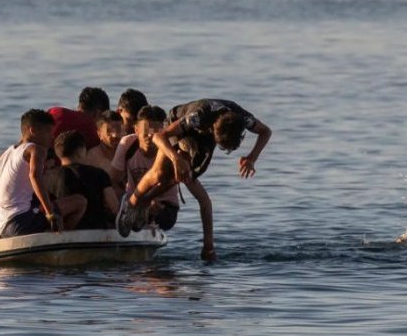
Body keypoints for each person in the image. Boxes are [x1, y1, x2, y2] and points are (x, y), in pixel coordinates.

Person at [117, 100, 272, 247]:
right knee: (160, 172)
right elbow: (159, 137)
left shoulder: (243, 117)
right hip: (176, 123)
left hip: (205, 135)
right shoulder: (198, 116)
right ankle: (131, 204)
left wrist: (252, 157)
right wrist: (175, 158)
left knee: (185, 174)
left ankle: (144, 203)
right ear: (214, 129)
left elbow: (266, 132)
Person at [112, 105, 216, 260]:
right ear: (136, 129)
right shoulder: (127, 144)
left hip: (164, 208)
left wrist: (208, 245)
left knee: (161, 214)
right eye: (146, 130)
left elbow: (204, 200)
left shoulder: (173, 155)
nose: (150, 136)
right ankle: (132, 218)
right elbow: (113, 180)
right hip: (132, 201)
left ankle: (144, 218)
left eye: (156, 132)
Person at [0, 109, 81, 247]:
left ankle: (47, 234)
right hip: (20, 223)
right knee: (79, 201)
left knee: (39, 207)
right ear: (32, 130)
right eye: (48, 132)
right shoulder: (36, 149)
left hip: (1, 227)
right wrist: (50, 214)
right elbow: (35, 176)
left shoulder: (3, 155)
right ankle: (60, 243)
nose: (52, 137)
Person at [51, 131, 119, 229]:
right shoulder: (99, 174)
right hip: (94, 233)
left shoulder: (48, 177)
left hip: (61, 233)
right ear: (80, 151)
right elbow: (114, 207)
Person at [85, 110, 124, 186]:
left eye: (118, 130)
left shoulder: (129, 152)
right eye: (109, 131)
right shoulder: (91, 158)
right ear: (99, 133)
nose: (115, 135)